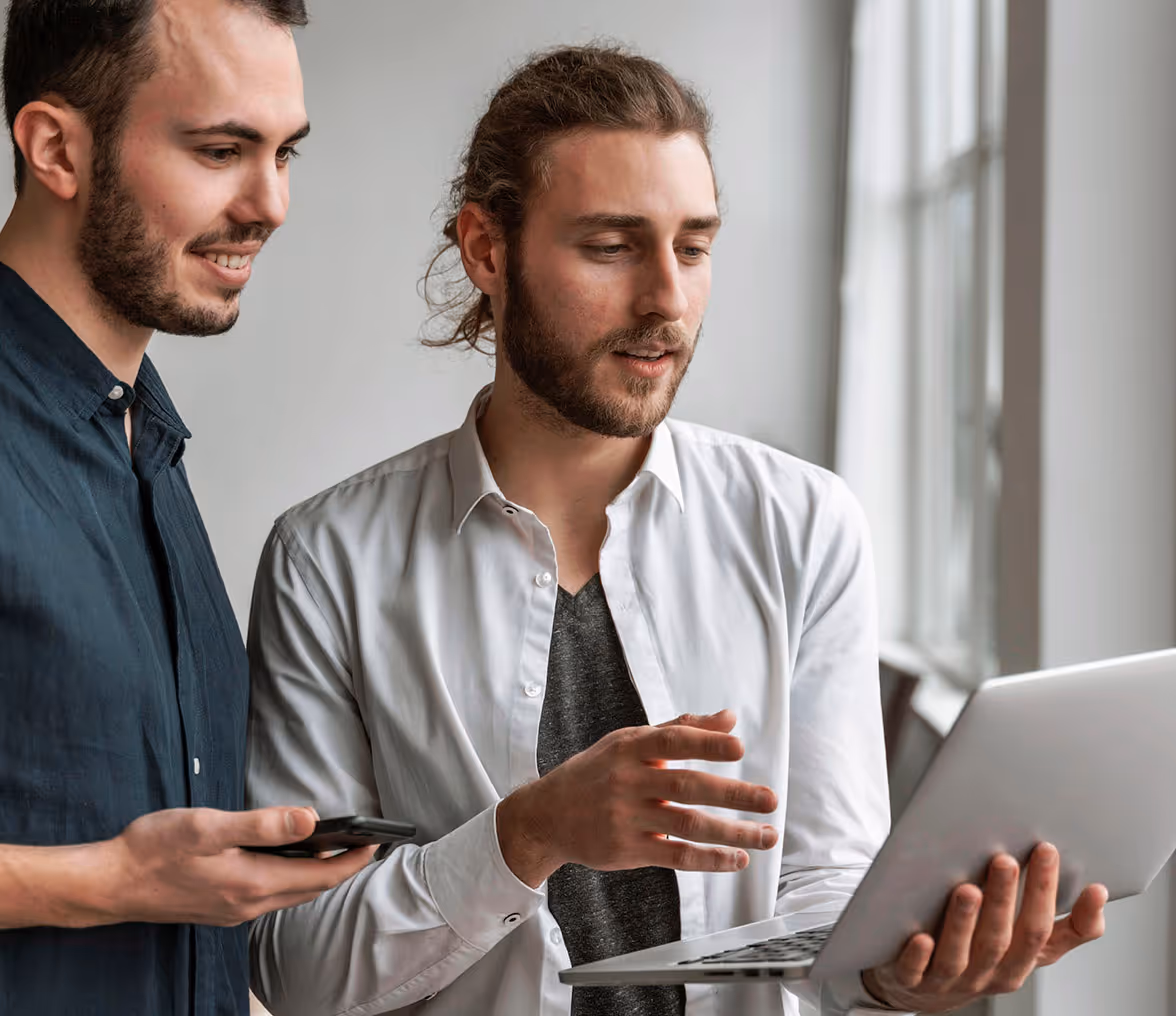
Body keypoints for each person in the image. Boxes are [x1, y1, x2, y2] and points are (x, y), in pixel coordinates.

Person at [245, 45, 1106, 1016]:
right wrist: (527, 834)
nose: (667, 299)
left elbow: (826, 890)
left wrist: (894, 970)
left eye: (693, 246)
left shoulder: (803, 527)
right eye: (612, 246)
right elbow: (297, 966)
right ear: (487, 250)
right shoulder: (328, 560)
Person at [0, 2, 374, 1013]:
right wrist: (110, 882)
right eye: (222, 149)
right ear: (55, 149)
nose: (272, 202)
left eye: (285, 152)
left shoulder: (146, 438)